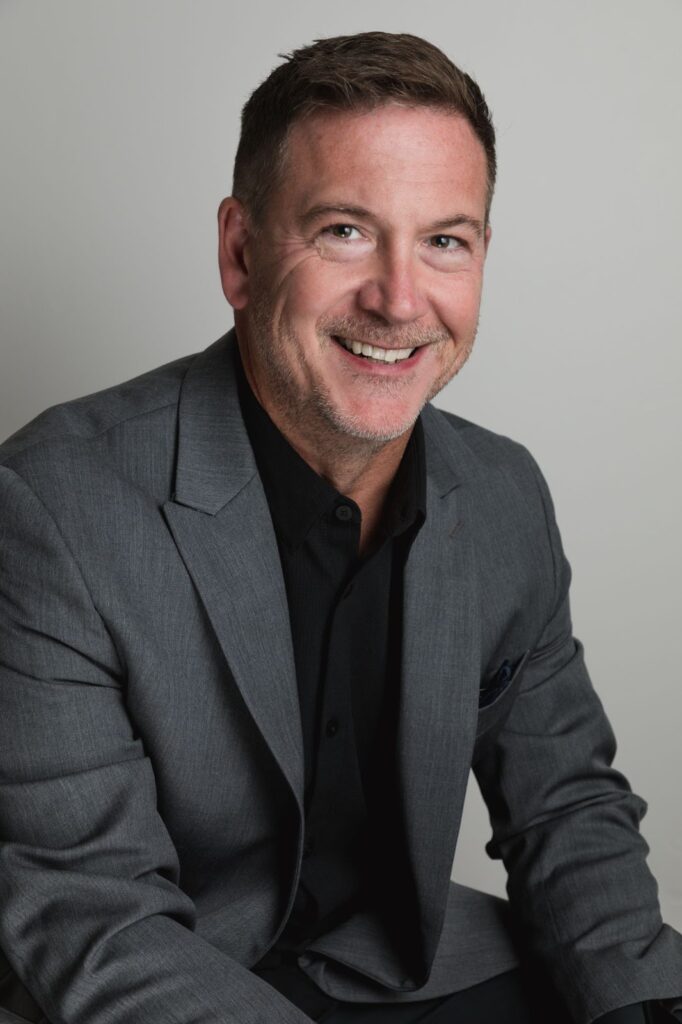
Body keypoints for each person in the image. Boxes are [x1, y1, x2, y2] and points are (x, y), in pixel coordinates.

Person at [0, 30, 679, 1024]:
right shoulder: (52, 508)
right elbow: (90, 916)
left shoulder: (501, 494)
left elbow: (566, 807)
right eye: (344, 231)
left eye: (444, 240)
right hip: (146, 984)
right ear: (239, 254)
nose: (400, 300)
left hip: (399, 966)